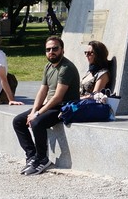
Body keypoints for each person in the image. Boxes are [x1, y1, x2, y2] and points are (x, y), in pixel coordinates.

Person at [14, 36, 80, 175]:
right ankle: (32, 156)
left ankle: (42, 158)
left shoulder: (66, 68)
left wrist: (37, 114)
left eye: (55, 48)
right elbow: (42, 91)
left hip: (64, 107)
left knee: (37, 122)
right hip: (50, 105)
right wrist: (33, 110)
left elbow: (58, 97)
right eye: (48, 49)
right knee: (18, 121)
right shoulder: (48, 66)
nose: (51, 52)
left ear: (62, 50)